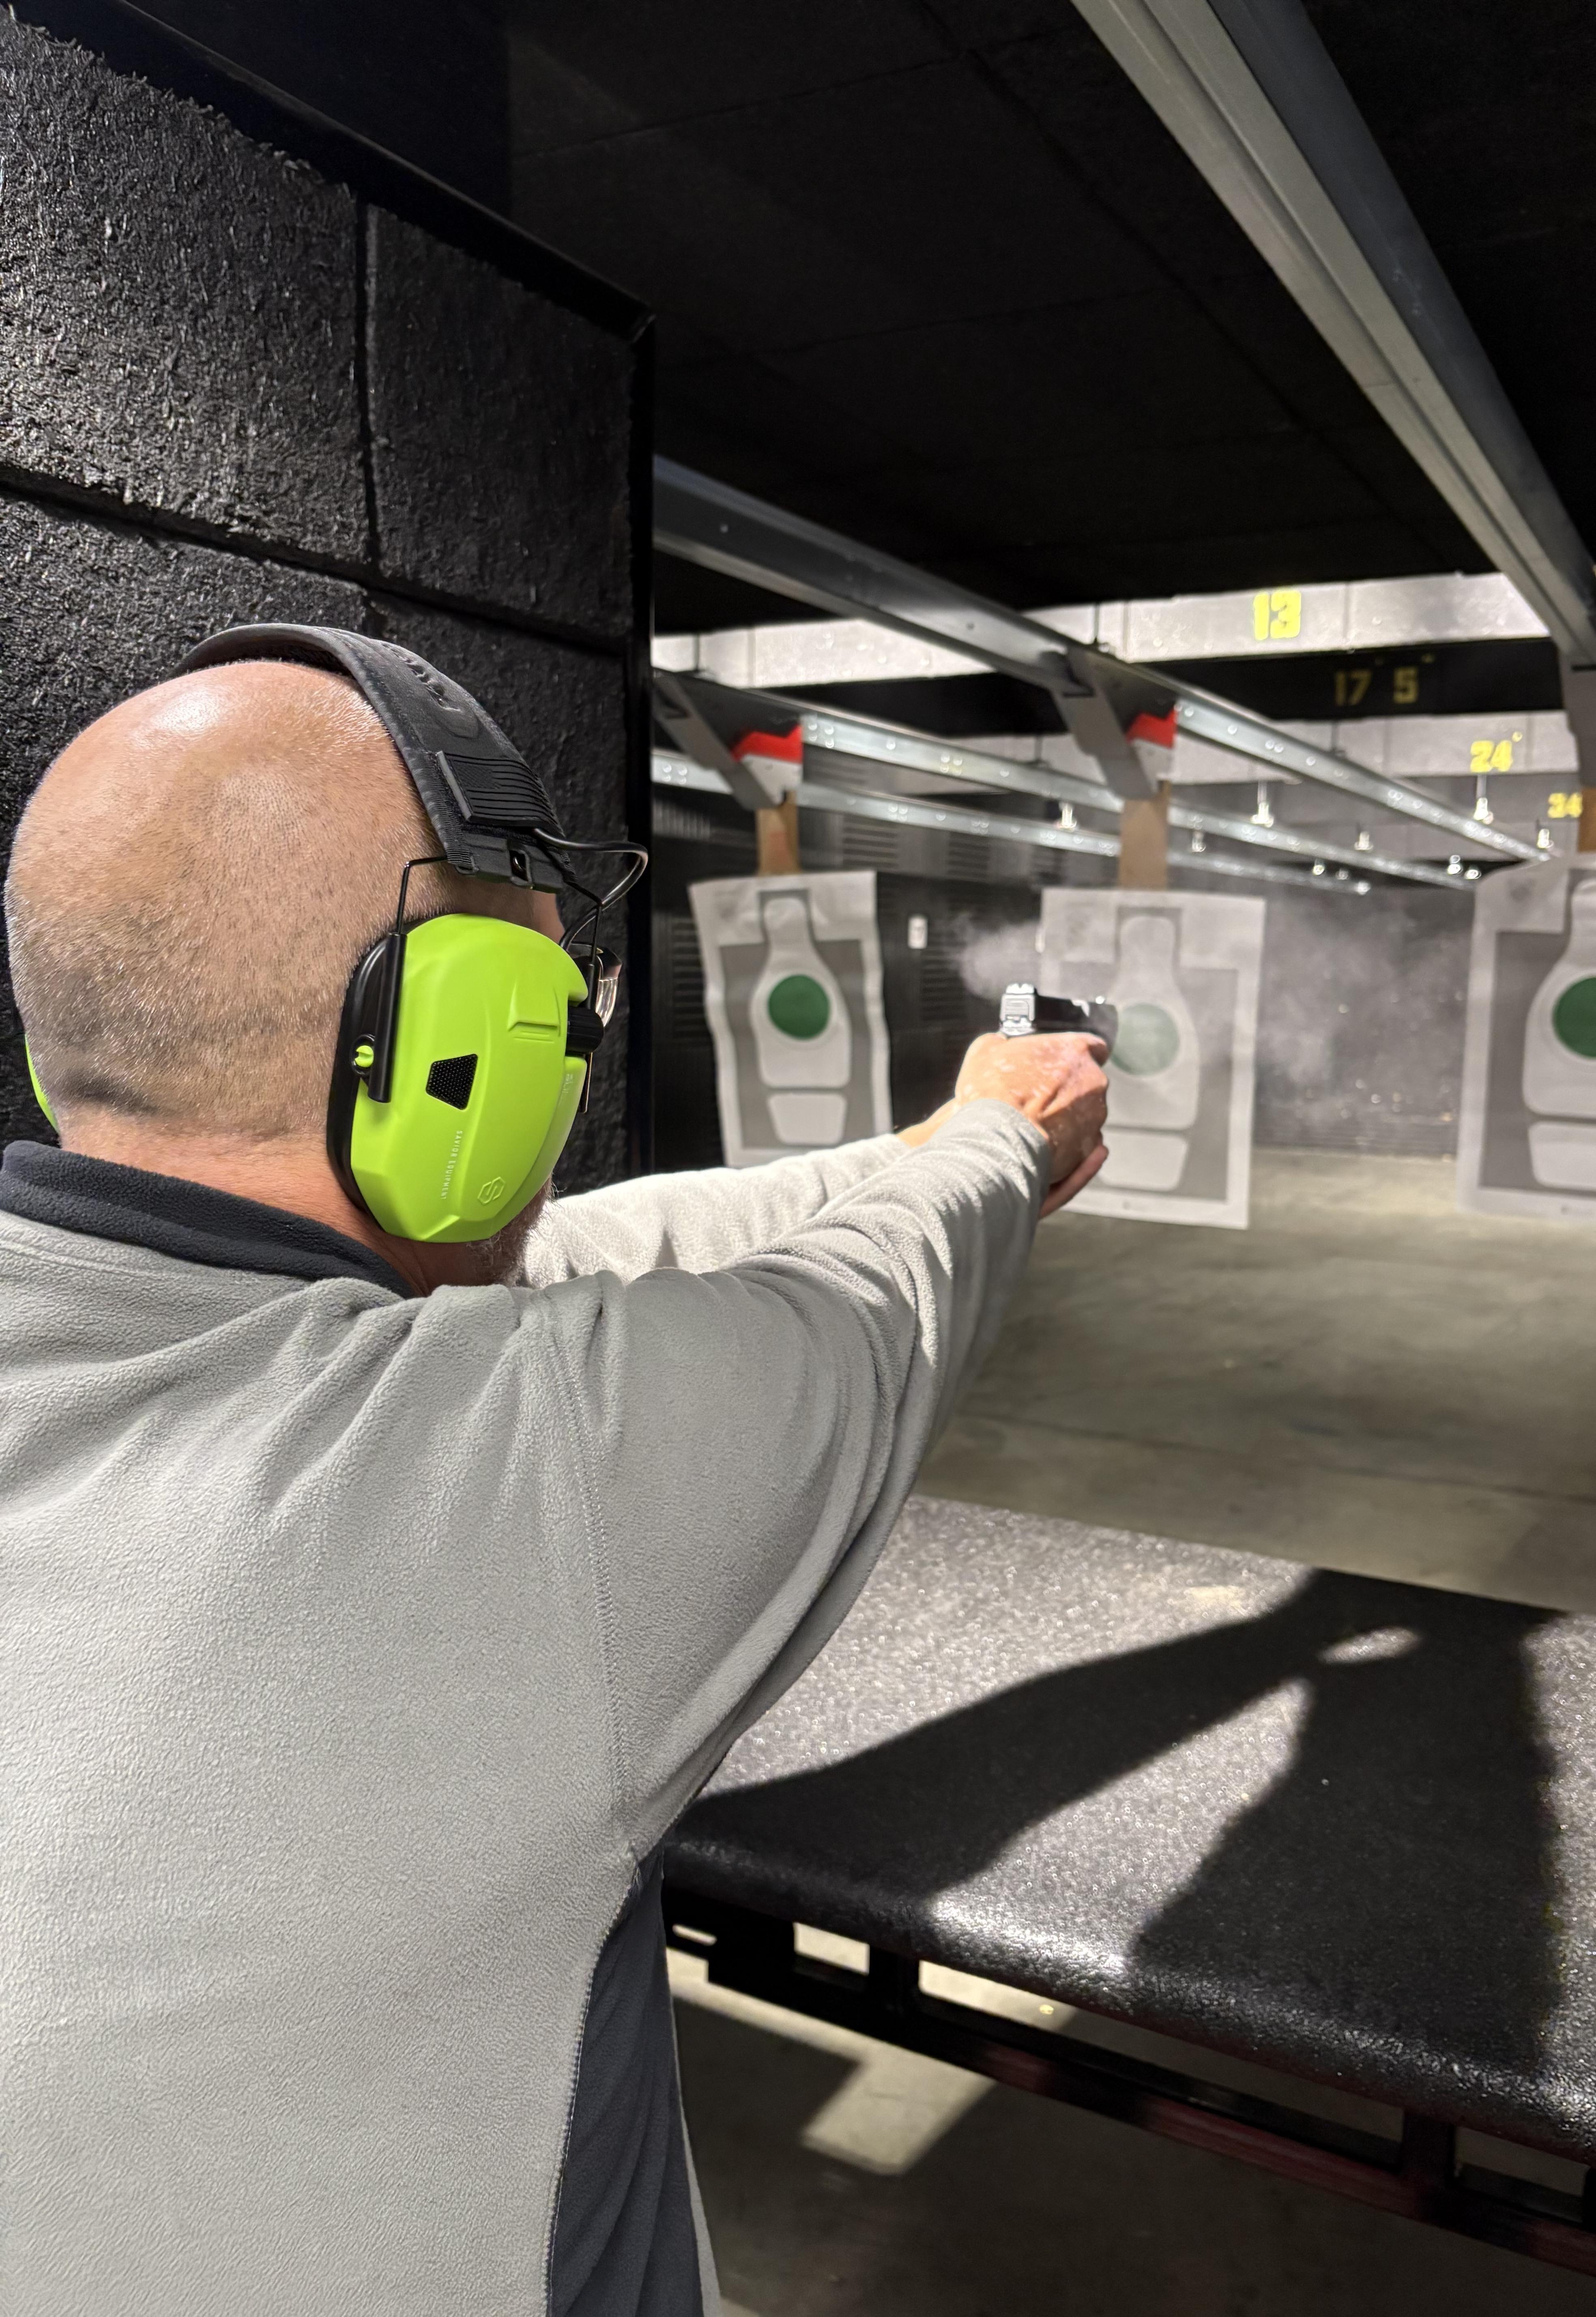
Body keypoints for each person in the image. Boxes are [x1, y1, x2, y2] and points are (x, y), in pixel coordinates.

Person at [0, 644, 1108, 2317]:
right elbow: (864, 1317)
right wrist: (1001, 1137)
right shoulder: (533, 1492)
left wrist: (893, 1151)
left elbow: (559, 1279)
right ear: (470, 1052)